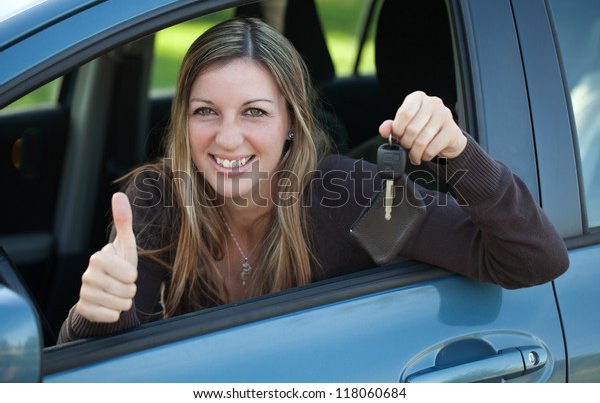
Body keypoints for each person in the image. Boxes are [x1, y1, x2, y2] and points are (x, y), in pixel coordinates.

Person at [57, 17, 569, 343]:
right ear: (183, 122)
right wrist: (94, 311)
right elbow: (92, 368)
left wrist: (459, 154)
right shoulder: (155, 200)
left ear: (290, 125)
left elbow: (533, 258)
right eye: (206, 111)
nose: (228, 139)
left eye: (255, 112)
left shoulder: (345, 196)